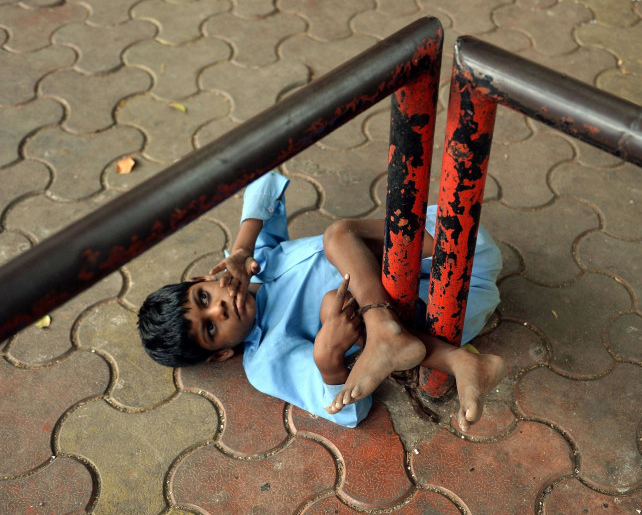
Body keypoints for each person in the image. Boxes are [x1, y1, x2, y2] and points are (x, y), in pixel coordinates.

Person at [138, 170, 507, 430]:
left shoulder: (259, 261)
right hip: (449, 305)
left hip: (448, 241)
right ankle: (459, 362)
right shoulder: (266, 359)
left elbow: (264, 180)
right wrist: (328, 359)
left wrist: (241, 247)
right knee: (335, 304)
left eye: (204, 297)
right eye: (211, 328)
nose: (218, 308)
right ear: (220, 353)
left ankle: (392, 336)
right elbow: (345, 411)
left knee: (339, 236)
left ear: (205, 278)